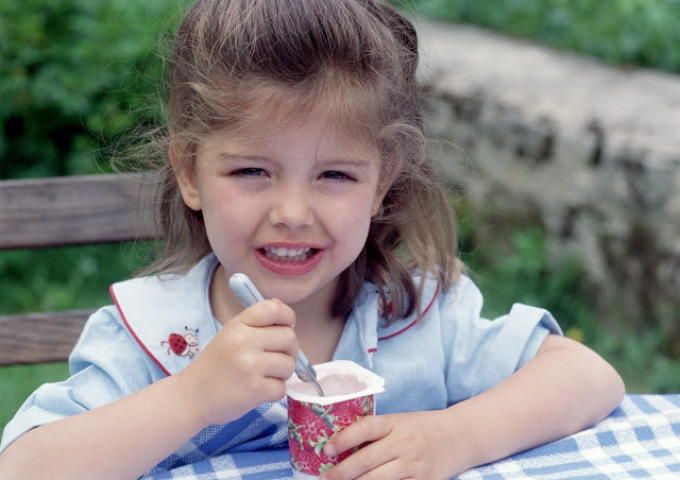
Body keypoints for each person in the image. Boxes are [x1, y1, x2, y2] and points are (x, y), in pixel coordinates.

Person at [0, 0, 625, 478]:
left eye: (334, 175)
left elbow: (589, 376)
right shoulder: (153, 338)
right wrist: (192, 398)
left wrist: (454, 438)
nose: (293, 212)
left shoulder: (415, 316)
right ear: (190, 173)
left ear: (383, 184)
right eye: (251, 172)